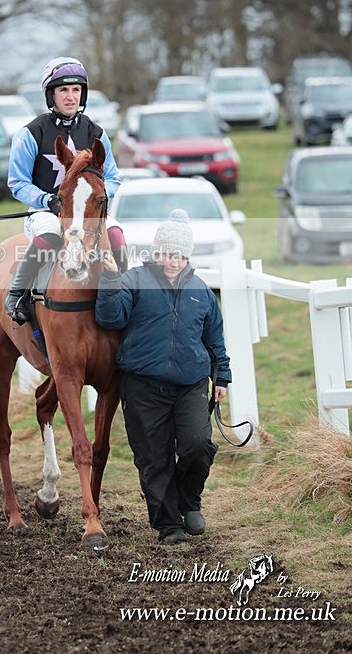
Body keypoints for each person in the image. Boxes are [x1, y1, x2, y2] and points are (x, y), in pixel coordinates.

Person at [95, 209, 231, 545]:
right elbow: (110, 319)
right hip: (142, 385)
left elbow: (215, 339)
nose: (169, 261)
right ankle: (169, 525)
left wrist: (223, 379)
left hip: (192, 384)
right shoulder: (134, 280)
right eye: (163, 253)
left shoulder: (201, 291)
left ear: (186, 256)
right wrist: (111, 279)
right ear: (154, 253)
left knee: (198, 445)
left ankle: (190, 502)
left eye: (176, 255)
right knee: (153, 458)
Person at [5, 56, 126, 325]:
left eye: (76, 90)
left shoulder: (97, 132)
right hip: (45, 212)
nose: (71, 97)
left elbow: (114, 178)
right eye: (63, 90)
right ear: (52, 95)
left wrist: (100, 198)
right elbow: (17, 183)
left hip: (88, 213)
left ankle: (126, 292)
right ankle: (17, 293)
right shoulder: (30, 134)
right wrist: (46, 199)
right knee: (50, 232)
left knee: (116, 234)